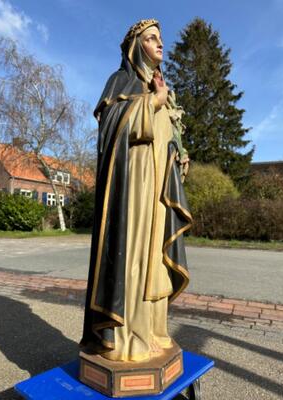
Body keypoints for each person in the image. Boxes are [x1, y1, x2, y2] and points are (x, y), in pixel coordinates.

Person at [80, 19, 192, 362]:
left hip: (158, 190)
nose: (160, 44)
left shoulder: (161, 89)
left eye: (161, 38)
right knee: (134, 259)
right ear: (135, 46)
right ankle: (129, 336)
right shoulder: (120, 82)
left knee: (156, 259)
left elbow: (165, 136)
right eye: (151, 38)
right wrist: (153, 102)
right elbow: (111, 127)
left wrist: (179, 152)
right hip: (132, 191)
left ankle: (156, 329)